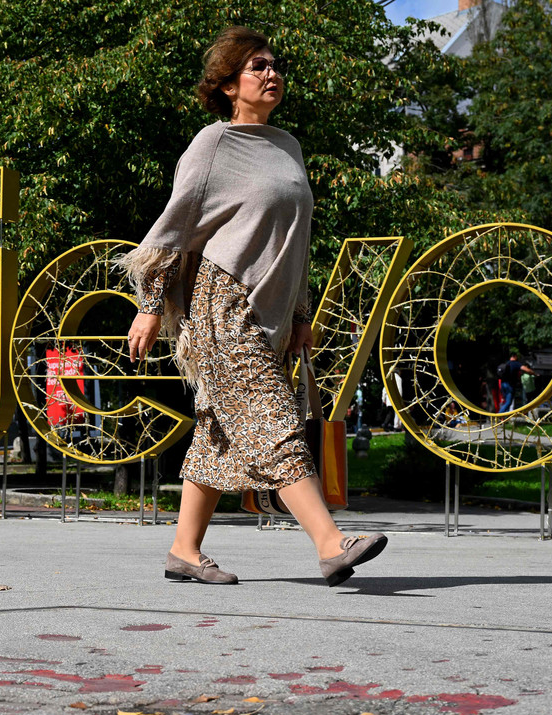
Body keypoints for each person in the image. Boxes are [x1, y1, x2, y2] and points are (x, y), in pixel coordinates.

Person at [121, 26, 386, 588]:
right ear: (226, 85)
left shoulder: (287, 146)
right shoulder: (212, 145)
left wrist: (300, 315)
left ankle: (183, 551)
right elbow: (171, 232)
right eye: (256, 67)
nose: (271, 74)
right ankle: (331, 543)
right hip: (224, 304)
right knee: (274, 419)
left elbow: (298, 241)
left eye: (274, 65)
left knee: (219, 431)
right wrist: (149, 306)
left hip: (272, 306)